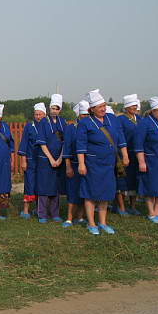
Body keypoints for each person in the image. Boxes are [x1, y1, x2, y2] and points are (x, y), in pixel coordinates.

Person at [77, 89, 129, 235]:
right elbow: (81, 145)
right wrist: (81, 164)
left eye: (104, 105)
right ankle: (92, 223)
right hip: (92, 164)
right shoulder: (85, 123)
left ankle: (103, 222)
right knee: (91, 193)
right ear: (92, 109)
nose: (103, 109)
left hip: (109, 164)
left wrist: (125, 155)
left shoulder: (112, 119)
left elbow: (121, 139)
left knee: (105, 193)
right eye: (100, 107)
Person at [134, 96, 158, 224]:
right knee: (151, 186)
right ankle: (151, 213)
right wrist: (141, 162)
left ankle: (157, 211)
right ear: (153, 111)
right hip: (151, 161)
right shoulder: (145, 124)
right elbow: (138, 145)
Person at [36, 94, 66, 223]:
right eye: (52, 108)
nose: (54, 111)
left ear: (60, 109)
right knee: (44, 187)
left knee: (56, 187)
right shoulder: (43, 122)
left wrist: (59, 159)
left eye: (57, 108)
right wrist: (51, 159)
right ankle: (42, 214)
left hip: (59, 160)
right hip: (45, 159)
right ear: (49, 109)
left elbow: (65, 142)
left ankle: (55, 213)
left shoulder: (63, 122)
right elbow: (42, 143)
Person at [61, 100, 89, 227]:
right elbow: (66, 148)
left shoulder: (91, 128)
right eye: (83, 115)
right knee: (72, 192)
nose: (85, 118)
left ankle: (81, 217)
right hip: (73, 163)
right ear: (78, 116)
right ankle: (69, 218)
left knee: (84, 191)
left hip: (88, 164)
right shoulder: (70, 129)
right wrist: (68, 167)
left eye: (87, 116)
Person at [17, 103, 46, 219]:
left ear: (45, 114)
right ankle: (25, 210)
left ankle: (40, 209)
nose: (38, 117)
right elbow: (23, 143)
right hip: (30, 159)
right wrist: (23, 160)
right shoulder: (29, 126)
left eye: (40, 114)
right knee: (29, 183)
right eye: (36, 114)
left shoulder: (47, 126)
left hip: (43, 161)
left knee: (41, 184)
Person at [115, 94, 142, 215]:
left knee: (134, 180)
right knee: (122, 180)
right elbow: (119, 136)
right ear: (126, 107)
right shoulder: (120, 120)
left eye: (135, 105)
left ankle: (132, 206)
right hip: (123, 153)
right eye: (132, 105)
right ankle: (121, 207)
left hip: (136, 154)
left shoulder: (140, 119)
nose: (134, 107)